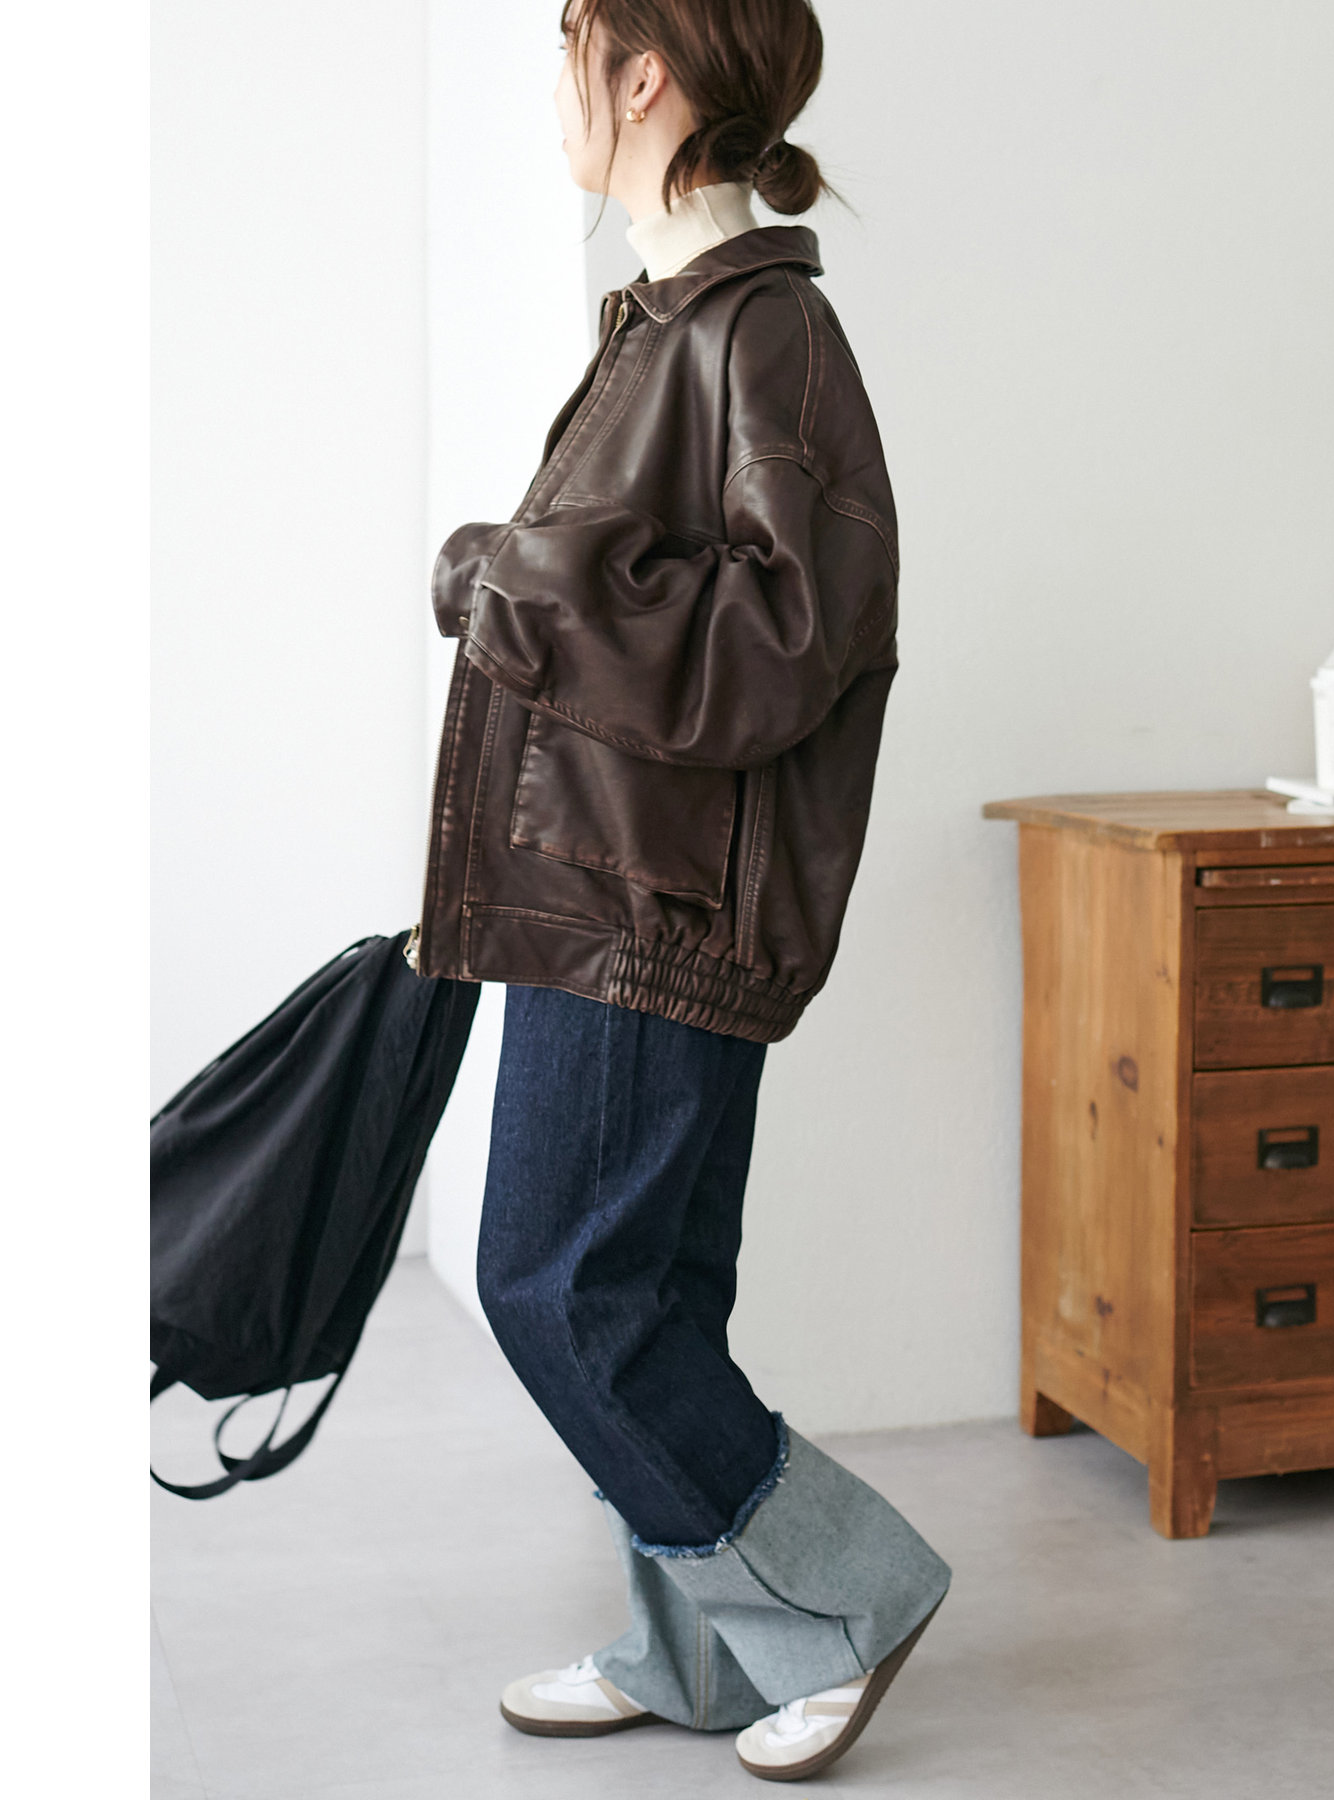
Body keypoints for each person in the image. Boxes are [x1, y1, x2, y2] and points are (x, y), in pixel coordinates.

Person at [411, 0, 949, 1782]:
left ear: (644, 71)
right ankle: (704, 1644)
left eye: (573, 40)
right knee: (639, 1295)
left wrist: (525, 579)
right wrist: (533, 579)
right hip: (612, 888)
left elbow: (795, 638)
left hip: (658, 908)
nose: (557, 82)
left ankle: (846, 1596)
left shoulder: (767, 329)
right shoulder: (672, 324)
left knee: (557, 1285)